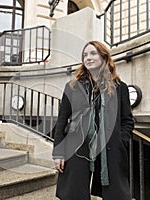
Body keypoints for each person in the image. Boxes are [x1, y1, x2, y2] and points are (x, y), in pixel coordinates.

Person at [52, 41, 134, 200]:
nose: (88, 58)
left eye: (93, 53)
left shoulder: (119, 87)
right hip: (76, 148)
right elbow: (61, 122)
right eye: (85, 55)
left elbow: (127, 121)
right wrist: (58, 152)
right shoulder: (73, 87)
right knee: (74, 193)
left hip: (109, 149)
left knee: (116, 194)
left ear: (104, 57)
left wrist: (120, 140)